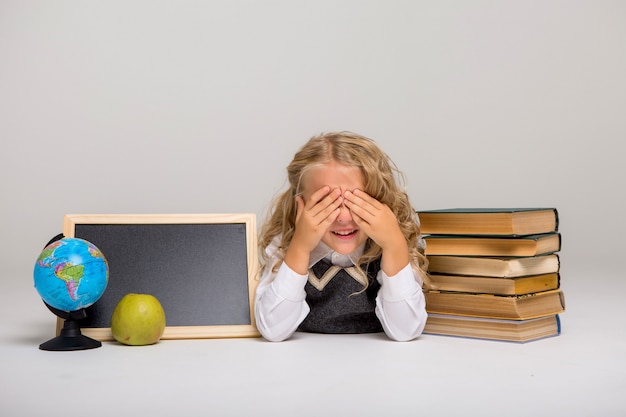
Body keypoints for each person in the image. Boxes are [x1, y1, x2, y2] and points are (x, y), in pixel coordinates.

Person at [254, 131, 428, 342]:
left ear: (382, 200)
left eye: (358, 201)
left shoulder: (397, 241)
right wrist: (299, 248)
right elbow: (273, 331)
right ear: (300, 203)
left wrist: (394, 245)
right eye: (326, 203)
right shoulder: (287, 243)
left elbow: (406, 331)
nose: (344, 218)